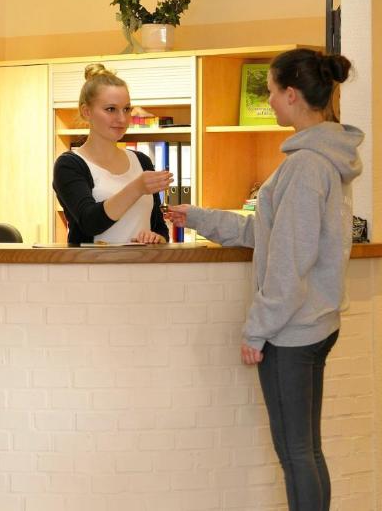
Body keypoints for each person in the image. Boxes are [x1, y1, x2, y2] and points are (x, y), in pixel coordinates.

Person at [170, 48, 363, 511]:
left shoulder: (305, 166)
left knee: (296, 454)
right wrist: (198, 217)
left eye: (272, 91)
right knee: (307, 451)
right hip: (314, 323)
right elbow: (267, 232)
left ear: (292, 94)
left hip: (292, 330)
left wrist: (257, 329)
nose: (270, 101)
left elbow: (289, 261)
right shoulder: (323, 159)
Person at [53, 63, 173, 245]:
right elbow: (89, 222)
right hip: (92, 264)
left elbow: (160, 228)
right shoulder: (69, 165)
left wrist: (157, 238)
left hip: (143, 263)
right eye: (111, 109)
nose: (122, 119)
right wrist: (137, 188)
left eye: (126, 109)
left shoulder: (142, 161)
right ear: (86, 112)